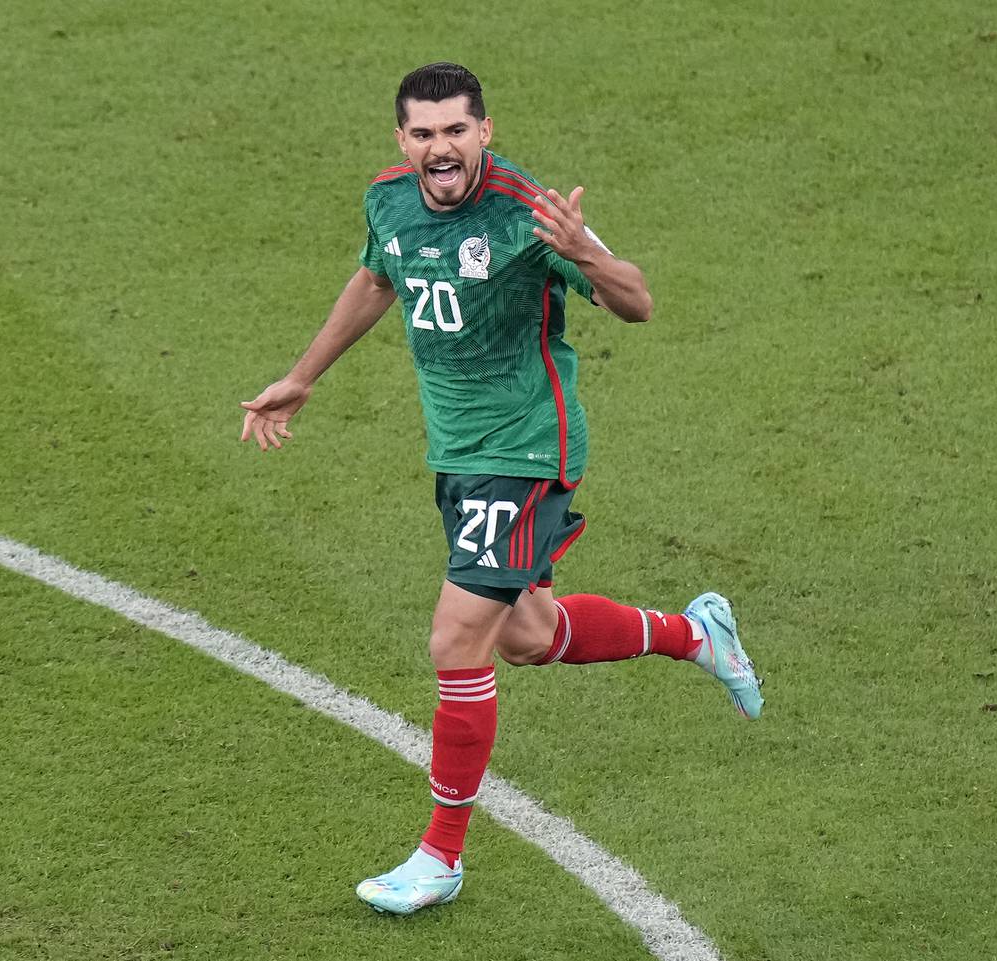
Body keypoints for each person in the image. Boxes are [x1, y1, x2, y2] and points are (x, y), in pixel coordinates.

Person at [241, 62, 763, 916]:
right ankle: (695, 634)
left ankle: (440, 857)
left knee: (457, 640)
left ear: (484, 131)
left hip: (526, 448)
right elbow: (378, 278)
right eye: (423, 133)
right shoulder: (389, 199)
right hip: (456, 453)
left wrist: (580, 250)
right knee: (526, 633)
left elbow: (638, 302)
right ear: (401, 140)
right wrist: (303, 377)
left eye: (455, 130)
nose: (439, 148)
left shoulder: (529, 212)